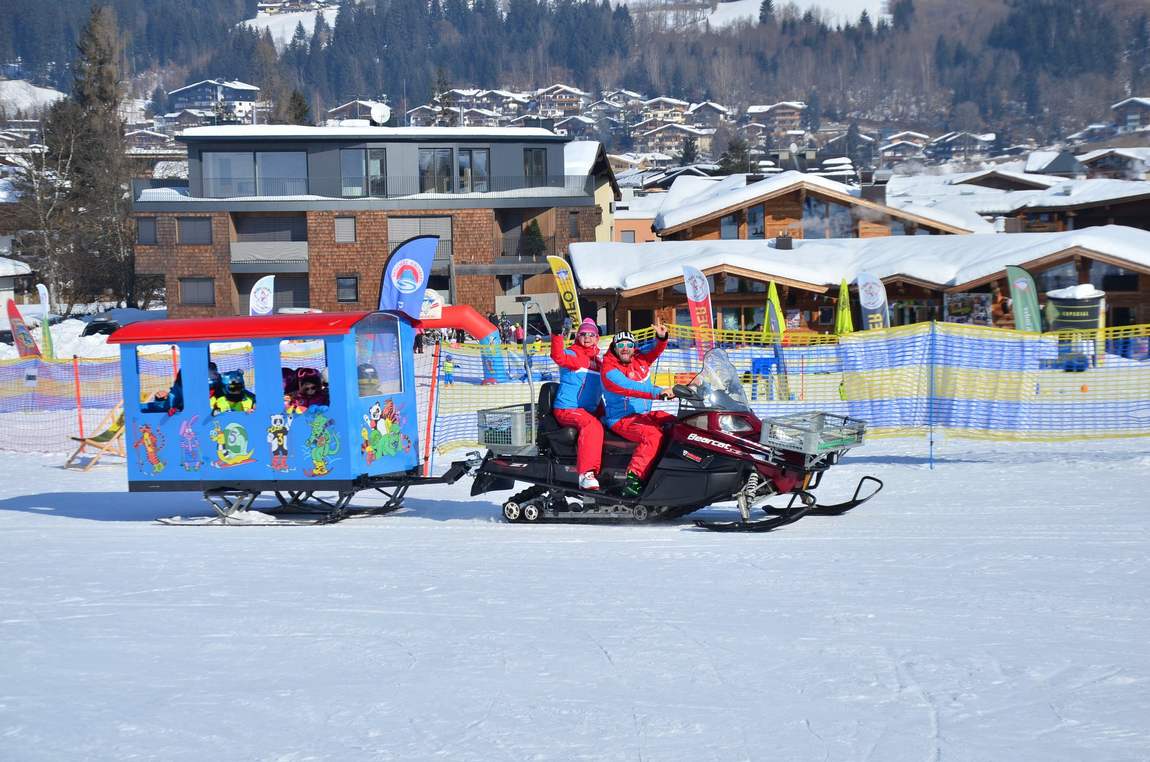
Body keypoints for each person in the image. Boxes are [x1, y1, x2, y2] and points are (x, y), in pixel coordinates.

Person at [601, 320, 675, 497]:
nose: (625, 348)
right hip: (621, 419)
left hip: (644, 414)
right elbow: (631, 387)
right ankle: (633, 480)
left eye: (629, 345)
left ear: (634, 347)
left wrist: (661, 337)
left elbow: (655, 348)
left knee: (675, 423)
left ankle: (672, 469)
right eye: (621, 345)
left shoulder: (640, 359)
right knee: (652, 435)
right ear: (614, 347)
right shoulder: (609, 369)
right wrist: (659, 392)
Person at [550, 317, 605, 490]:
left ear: (597, 338)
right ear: (577, 337)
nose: (587, 337)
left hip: (590, 409)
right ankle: (586, 474)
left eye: (591, 334)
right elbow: (558, 356)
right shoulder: (574, 355)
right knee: (592, 426)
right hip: (568, 408)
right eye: (583, 334)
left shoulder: (599, 362)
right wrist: (557, 335)